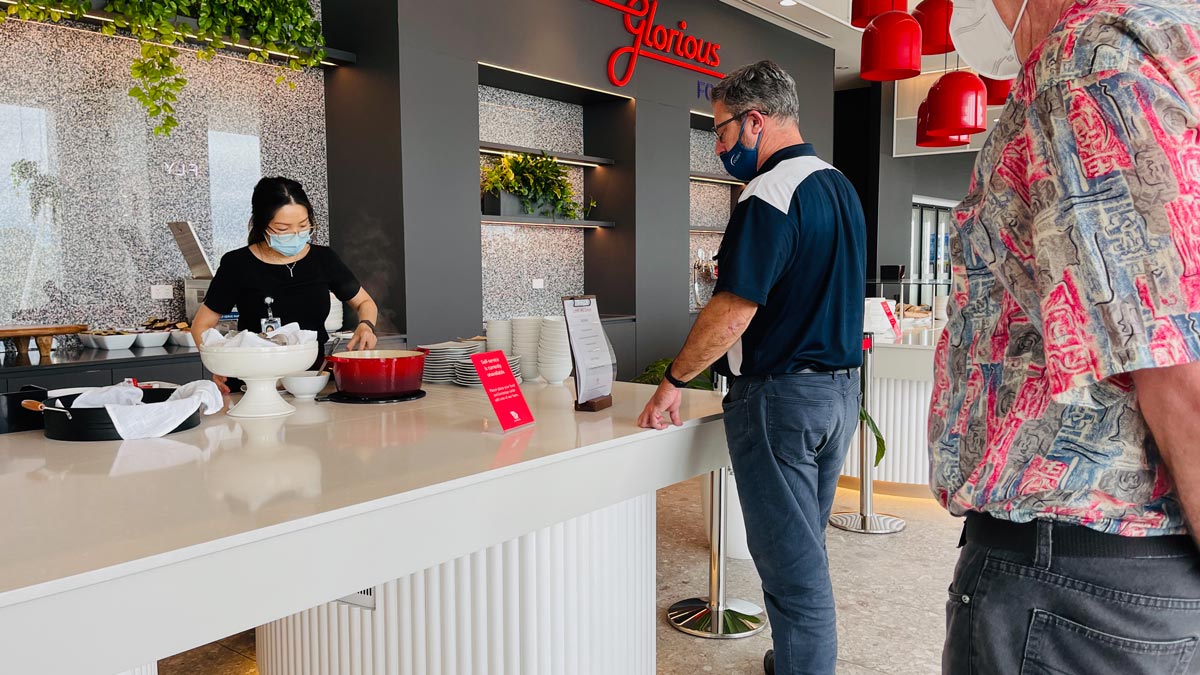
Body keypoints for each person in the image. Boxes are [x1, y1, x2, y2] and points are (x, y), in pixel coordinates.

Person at [930, 0, 1200, 672]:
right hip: (1117, 583)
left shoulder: (1084, 61)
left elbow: (1180, 371)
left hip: (1082, 590)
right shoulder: (1163, 47)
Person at [637, 60, 866, 675]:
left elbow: (734, 310)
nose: (718, 145)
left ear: (755, 120)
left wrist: (672, 382)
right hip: (840, 395)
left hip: (780, 399)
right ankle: (791, 657)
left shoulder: (769, 192)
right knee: (803, 547)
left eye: (720, 130)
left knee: (791, 567)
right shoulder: (837, 185)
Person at [191, 177, 379, 393]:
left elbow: (364, 301)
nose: (295, 235)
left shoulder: (323, 259)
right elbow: (201, 325)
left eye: (303, 225)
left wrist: (366, 325)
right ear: (262, 225)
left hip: (311, 381)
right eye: (283, 228)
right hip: (251, 383)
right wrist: (217, 363)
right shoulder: (238, 264)